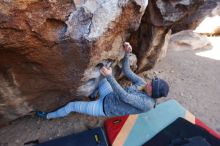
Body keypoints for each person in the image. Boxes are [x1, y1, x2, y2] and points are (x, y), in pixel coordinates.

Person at [36, 42, 169, 119]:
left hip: (104, 108)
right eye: (153, 81)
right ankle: (93, 95)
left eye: (152, 85)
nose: (149, 82)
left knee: (72, 106)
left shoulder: (147, 104)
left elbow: (124, 96)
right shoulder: (143, 84)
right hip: (109, 96)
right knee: (100, 74)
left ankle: (48, 116)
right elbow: (128, 71)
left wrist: (110, 77)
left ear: (153, 93)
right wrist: (127, 53)